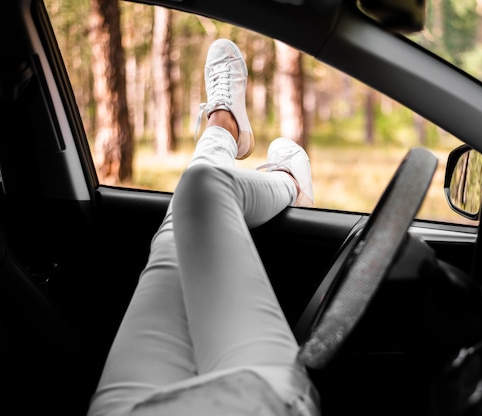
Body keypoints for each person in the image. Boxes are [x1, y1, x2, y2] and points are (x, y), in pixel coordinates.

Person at [87, 38, 319, 416]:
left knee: (173, 238)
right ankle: (282, 176)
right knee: (204, 186)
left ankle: (224, 128)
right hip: (258, 405)